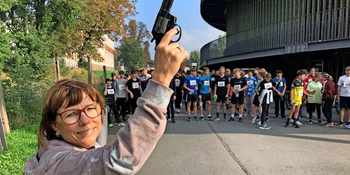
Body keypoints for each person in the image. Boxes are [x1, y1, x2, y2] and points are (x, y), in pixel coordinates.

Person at [24, 28, 189, 174]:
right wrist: (161, 79)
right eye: (71, 114)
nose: (86, 120)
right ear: (53, 123)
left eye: (90, 109)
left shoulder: (70, 147)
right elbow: (117, 161)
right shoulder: (58, 162)